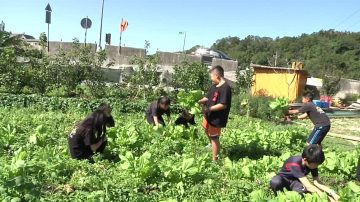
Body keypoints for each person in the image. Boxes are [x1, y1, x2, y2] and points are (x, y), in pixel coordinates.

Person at [270, 145, 340, 202]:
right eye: (316, 164)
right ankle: (278, 197)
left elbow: (317, 183)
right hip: (283, 180)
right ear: (305, 159)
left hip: (295, 182)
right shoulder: (295, 163)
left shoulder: (312, 163)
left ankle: (290, 195)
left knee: (301, 192)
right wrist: (330, 200)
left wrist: (333, 193)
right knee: (275, 182)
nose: (316, 166)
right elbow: (309, 186)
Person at [199, 65, 232, 161]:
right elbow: (207, 97)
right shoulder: (214, 86)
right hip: (209, 115)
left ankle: (215, 160)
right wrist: (199, 101)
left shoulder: (226, 88)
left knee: (214, 138)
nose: (212, 79)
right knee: (205, 128)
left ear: (217, 75)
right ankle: (211, 144)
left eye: (212, 77)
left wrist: (209, 109)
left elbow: (223, 105)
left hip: (217, 118)